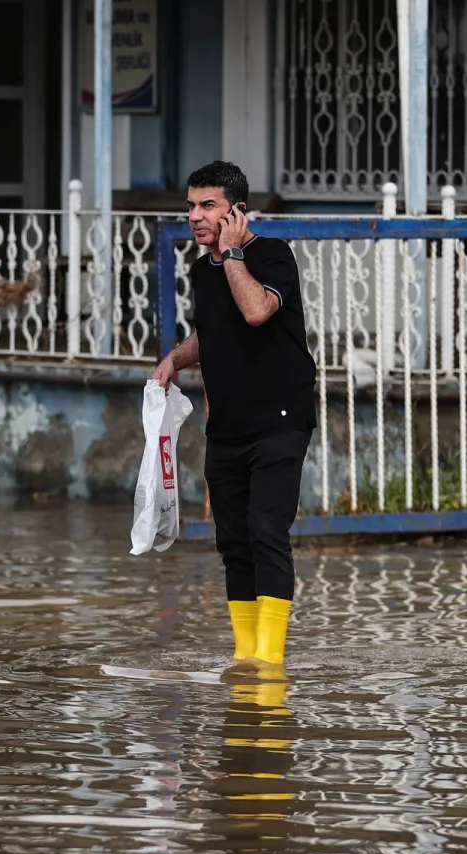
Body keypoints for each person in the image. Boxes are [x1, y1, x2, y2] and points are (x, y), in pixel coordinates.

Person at [151, 161, 316, 677]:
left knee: (267, 530)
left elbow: (255, 311)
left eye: (208, 206)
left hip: (281, 418)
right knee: (234, 540)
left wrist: (233, 254)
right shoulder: (202, 270)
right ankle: (247, 657)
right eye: (191, 206)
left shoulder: (271, 255)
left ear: (237, 211)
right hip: (228, 426)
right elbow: (215, 332)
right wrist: (175, 359)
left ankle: (271, 660)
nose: (195, 217)